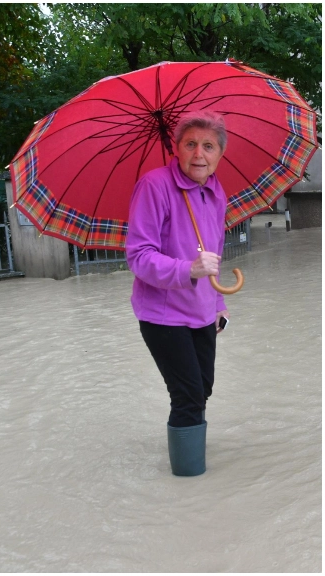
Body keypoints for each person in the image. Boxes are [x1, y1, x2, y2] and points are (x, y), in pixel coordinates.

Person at [125, 110, 230, 477]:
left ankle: (192, 455)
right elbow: (139, 256)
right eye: (190, 144)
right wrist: (188, 269)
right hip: (162, 314)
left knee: (203, 389)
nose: (198, 154)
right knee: (186, 396)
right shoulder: (154, 186)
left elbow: (214, 256)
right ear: (176, 148)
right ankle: (190, 482)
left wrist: (219, 305)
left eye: (208, 146)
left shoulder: (217, 193)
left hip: (203, 311)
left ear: (219, 154)